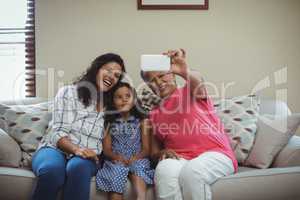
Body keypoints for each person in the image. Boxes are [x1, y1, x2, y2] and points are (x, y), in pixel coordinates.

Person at [140, 49, 238, 200]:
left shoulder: (190, 91)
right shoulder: (154, 114)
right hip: (181, 159)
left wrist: (184, 70)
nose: (158, 83)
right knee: (163, 170)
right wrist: (160, 154)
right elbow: (154, 152)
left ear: (172, 74)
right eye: (152, 81)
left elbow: (198, 80)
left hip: (216, 154)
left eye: (161, 76)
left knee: (193, 172)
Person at [31, 53, 126, 200]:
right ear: (96, 69)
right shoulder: (69, 92)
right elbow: (57, 132)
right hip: (54, 149)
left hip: (88, 158)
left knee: (78, 167)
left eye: (117, 75)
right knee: (52, 171)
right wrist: (77, 150)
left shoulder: (112, 107)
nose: (111, 76)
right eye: (108, 70)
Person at [95, 82, 154, 200]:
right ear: (113, 102)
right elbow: (106, 150)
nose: (124, 100)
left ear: (134, 100)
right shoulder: (109, 122)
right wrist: (117, 157)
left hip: (138, 157)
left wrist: (135, 158)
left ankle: (140, 197)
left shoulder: (142, 121)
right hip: (116, 159)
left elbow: (146, 149)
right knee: (117, 170)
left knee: (138, 167)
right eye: (119, 97)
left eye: (128, 96)